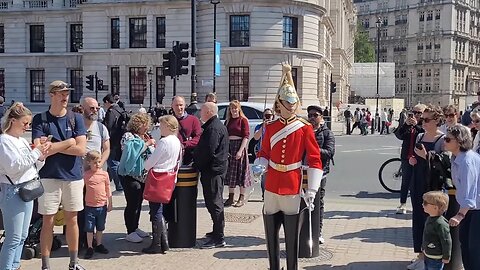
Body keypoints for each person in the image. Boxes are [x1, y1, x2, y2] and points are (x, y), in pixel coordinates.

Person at [255, 64, 323, 270]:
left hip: (292, 182)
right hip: (272, 182)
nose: (291, 105)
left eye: (294, 102)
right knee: (270, 231)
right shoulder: (272, 127)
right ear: (280, 103)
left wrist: (312, 188)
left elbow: (314, 158)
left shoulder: (304, 128)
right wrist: (260, 165)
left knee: (292, 235)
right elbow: (264, 152)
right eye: (287, 102)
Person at [32, 80, 87, 270]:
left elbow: (81, 149)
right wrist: (68, 142)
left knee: (72, 219)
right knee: (48, 220)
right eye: (61, 93)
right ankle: (45, 265)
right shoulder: (40, 119)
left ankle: (74, 262)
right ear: (52, 95)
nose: (65, 97)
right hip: (49, 175)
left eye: (67, 93)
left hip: (73, 176)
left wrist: (54, 146)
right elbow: (40, 150)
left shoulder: (76, 118)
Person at [0, 103, 50, 270]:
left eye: (29, 124)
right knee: (13, 238)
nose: (27, 127)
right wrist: (36, 152)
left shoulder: (21, 140)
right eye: (25, 123)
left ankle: (15, 266)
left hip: (26, 189)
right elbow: (13, 168)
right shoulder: (4, 141)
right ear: (13, 121)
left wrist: (41, 156)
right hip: (12, 191)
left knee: (22, 236)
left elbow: (31, 168)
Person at [408, 105, 445, 270]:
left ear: (437, 121)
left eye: (427, 120)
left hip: (432, 184)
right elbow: (413, 154)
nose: (423, 122)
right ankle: (420, 254)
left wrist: (426, 156)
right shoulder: (420, 136)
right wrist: (412, 160)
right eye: (422, 119)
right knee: (418, 216)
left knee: (431, 219)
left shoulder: (443, 139)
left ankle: (430, 257)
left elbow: (444, 162)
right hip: (417, 179)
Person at [143, 115, 182, 254]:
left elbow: (150, 163)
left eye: (161, 126)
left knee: (156, 211)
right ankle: (164, 242)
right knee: (159, 210)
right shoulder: (177, 141)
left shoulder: (164, 141)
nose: (160, 128)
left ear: (167, 126)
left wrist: (146, 163)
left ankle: (157, 243)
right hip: (169, 177)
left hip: (158, 176)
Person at [193, 102, 229, 249]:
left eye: (201, 110)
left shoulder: (213, 128)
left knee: (214, 203)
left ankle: (219, 237)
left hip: (213, 171)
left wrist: (198, 164)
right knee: (212, 201)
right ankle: (216, 231)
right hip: (214, 170)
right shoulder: (213, 126)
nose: (200, 113)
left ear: (208, 111)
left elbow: (209, 150)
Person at [445, 124, 480, 270]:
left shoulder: (467, 161)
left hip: (476, 209)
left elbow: (470, 190)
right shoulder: (456, 158)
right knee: (465, 245)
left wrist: (460, 215)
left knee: (474, 249)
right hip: (469, 209)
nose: (444, 141)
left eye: (448, 139)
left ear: (459, 141)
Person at [118, 113, 155, 243]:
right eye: (144, 125)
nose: (146, 128)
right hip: (130, 175)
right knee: (132, 203)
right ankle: (130, 231)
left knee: (138, 202)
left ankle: (135, 227)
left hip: (143, 176)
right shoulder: (128, 136)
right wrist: (146, 144)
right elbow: (131, 152)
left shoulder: (144, 136)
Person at [307, 105, 335, 244]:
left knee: (318, 203)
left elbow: (329, 152)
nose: (312, 118)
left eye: (315, 115)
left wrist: (313, 150)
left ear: (321, 117)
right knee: (304, 202)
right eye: (310, 115)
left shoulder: (327, 133)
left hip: (320, 173)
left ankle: (317, 232)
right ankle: (305, 230)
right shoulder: (304, 131)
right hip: (304, 171)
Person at [394, 104, 426, 215]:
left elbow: (424, 134)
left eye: (419, 113)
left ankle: (420, 205)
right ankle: (402, 204)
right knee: (405, 181)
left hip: (420, 157)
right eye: (414, 112)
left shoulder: (425, 123)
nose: (416, 115)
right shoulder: (408, 123)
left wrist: (417, 125)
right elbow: (399, 135)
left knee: (419, 182)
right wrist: (405, 125)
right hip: (407, 156)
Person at [83, 150, 112, 259]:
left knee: (100, 226)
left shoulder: (104, 174)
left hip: (102, 205)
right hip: (89, 206)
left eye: (99, 162)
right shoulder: (86, 175)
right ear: (89, 162)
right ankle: (90, 247)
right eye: (95, 162)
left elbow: (108, 188)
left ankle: (99, 244)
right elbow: (81, 188)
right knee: (89, 228)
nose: (98, 164)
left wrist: (110, 203)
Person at [223, 100, 251, 208]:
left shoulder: (243, 120)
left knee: (241, 173)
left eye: (235, 108)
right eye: (232, 108)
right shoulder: (228, 121)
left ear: (239, 109)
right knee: (230, 173)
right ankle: (231, 197)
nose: (234, 110)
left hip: (239, 147)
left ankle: (241, 197)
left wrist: (240, 150)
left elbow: (246, 136)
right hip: (230, 148)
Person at [103, 94, 127, 192]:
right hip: (120, 139)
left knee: (112, 162)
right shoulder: (120, 109)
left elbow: (108, 127)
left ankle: (120, 186)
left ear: (107, 102)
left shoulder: (111, 112)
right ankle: (108, 183)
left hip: (112, 140)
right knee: (114, 162)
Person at [421, 191, 452, 270]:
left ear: (435, 207)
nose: (422, 204)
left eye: (425, 203)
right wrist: (424, 248)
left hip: (436, 258)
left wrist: (446, 256)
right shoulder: (429, 218)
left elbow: (446, 240)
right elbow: (427, 235)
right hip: (428, 255)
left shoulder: (441, 223)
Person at [171, 96, 202, 165]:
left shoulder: (194, 120)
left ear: (185, 105)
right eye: (176, 105)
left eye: (181, 105)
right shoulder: (169, 120)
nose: (179, 108)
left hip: (188, 156)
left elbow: (198, 138)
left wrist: (184, 145)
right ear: (172, 106)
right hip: (173, 156)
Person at [253, 108, 274, 198]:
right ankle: (264, 194)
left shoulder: (275, 126)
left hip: (273, 153)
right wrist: (263, 127)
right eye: (266, 116)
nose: (267, 117)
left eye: (269, 116)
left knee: (272, 175)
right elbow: (256, 137)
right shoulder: (259, 126)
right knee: (264, 176)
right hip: (262, 153)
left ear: (273, 116)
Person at [82, 97, 110, 166]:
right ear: (83, 109)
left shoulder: (101, 128)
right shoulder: (74, 126)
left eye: (97, 109)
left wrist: (101, 163)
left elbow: (106, 149)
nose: (95, 111)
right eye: (92, 108)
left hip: (94, 171)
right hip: (78, 171)